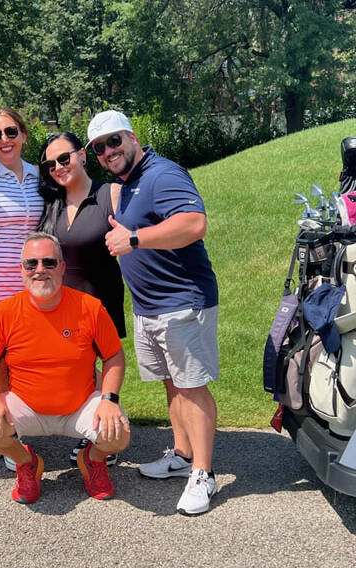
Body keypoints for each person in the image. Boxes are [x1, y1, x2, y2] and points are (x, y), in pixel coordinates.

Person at [87, 110, 219, 516]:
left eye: (114, 141)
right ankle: (181, 455)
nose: (108, 151)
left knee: (192, 387)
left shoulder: (163, 174)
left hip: (182, 302)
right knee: (173, 385)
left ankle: (203, 473)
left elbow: (194, 223)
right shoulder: (129, 183)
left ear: (132, 136)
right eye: (99, 148)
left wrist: (136, 238)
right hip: (150, 306)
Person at [0, 232, 130, 504]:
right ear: (21, 270)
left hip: (80, 406)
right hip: (26, 405)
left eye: (49, 262)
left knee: (119, 435)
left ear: (62, 267)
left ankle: (92, 460)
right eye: (31, 264)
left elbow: (114, 356)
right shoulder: (5, 312)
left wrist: (109, 399)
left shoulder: (90, 307)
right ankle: (27, 463)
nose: (40, 271)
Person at [37, 132, 126, 466]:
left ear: (82, 155)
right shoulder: (53, 204)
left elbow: (130, 240)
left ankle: (109, 435)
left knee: (107, 364)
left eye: (64, 158)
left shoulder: (110, 194)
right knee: (78, 367)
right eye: (51, 164)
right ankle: (90, 430)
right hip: (63, 301)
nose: (59, 167)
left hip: (101, 295)